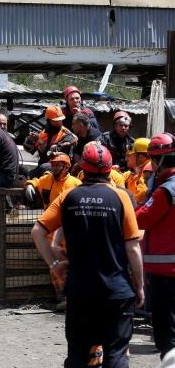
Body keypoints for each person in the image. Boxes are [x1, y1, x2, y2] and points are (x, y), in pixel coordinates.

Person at [31, 142, 144, 367]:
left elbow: (37, 232)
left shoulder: (68, 196)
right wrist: (140, 286)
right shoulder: (121, 197)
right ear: (110, 167)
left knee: (78, 354)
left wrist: (54, 264)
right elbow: (132, 247)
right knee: (116, 355)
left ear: (83, 166)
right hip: (116, 291)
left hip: (79, 290)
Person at [135, 132, 175, 359]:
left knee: (166, 335)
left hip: (166, 274)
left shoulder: (165, 191)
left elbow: (143, 218)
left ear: (157, 160)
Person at [24, 153, 82, 305]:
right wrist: (29, 184)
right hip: (50, 229)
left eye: (58, 165)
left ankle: (75, 295)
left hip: (70, 229)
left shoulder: (75, 183)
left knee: (73, 260)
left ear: (67, 167)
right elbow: (35, 181)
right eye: (53, 164)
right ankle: (62, 296)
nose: (54, 167)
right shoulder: (46, 180)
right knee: (54, 264)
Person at [23, 105, 74, 178]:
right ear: (48, 120)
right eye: (55, 121)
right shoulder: (43, 133)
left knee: (44, 167)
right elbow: (29, 149)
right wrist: (30, 140)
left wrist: (45, 146)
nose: (58, 123)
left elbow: (61, 151)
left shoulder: (66, 134)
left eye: (60, 120)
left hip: (59, 169)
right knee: (26, 177)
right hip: (42, 167)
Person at [122, 138, 151, 204]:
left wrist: (127, 205)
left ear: (141, 157)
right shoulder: (143, 168)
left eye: (128, 156)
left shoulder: (148, 169)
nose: (126, 159)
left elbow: (142, 191)